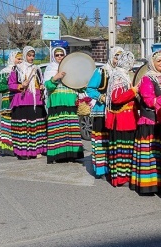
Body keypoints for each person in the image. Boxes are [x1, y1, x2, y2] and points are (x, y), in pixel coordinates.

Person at [131, 50, 161, 195]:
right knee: (151, 156)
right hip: (150, 122)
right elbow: (149, 101)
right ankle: (149, 185)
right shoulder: (147, 79)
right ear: (152, 63)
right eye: (158, 61)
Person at [87, 46, 124, 178]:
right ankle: (101, 169)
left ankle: (114, 168)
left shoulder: (123, 73)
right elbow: (90, 89)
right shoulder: (101, 71)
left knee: (113, 140)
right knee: (102, 140)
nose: (117, 60)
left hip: (117, 112)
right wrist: (101, 97)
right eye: (116, 56)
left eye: (120, 57)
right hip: (102, 111)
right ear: (111, 56)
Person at [43, 47, 84, 164]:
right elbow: (49, 86)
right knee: (58, 129)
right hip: (56, 102)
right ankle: (58, 155)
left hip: (70, 102)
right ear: (53, 56)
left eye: (62, 54)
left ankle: (72, 154)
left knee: (71, 129)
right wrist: (55, 77)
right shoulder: (50, 68)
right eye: (57, 55)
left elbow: (79, 85)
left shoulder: (71, 68)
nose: (60, 57)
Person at [105, 51, 139, 186]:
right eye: (130, 62)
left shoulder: (123, 75)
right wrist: (133, 91)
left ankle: (125, 176)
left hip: (127, 117)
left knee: (126, 148)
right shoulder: (118, 76)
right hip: (121, 118)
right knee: (122, 149)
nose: (132, 65)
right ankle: (120, 177)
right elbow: (116, 98)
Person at [8, 46, 47, 159]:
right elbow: (10, 85)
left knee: (36, 127)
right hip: (22, 101)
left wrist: (41, 86)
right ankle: (23, 152)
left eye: (33, 56)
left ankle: (36, 150)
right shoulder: (17, 69)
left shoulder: (37, 69)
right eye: (29, 56)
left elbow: (41, 82)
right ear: (25, 56)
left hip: (36, 101)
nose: (31, 58)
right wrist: (21, 85)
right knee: (23, 128)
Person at [0, 50, 22, 156]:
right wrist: (12, 87)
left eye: (21, 59)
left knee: (18, 124)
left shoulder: (22, 71)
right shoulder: (5, 71)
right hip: (8, 101)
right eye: (18, 58)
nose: (20, 61)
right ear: (12, 59)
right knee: (8, 124)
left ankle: (18, 147)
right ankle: (7, 148)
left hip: (19, 101)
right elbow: (0, 87)